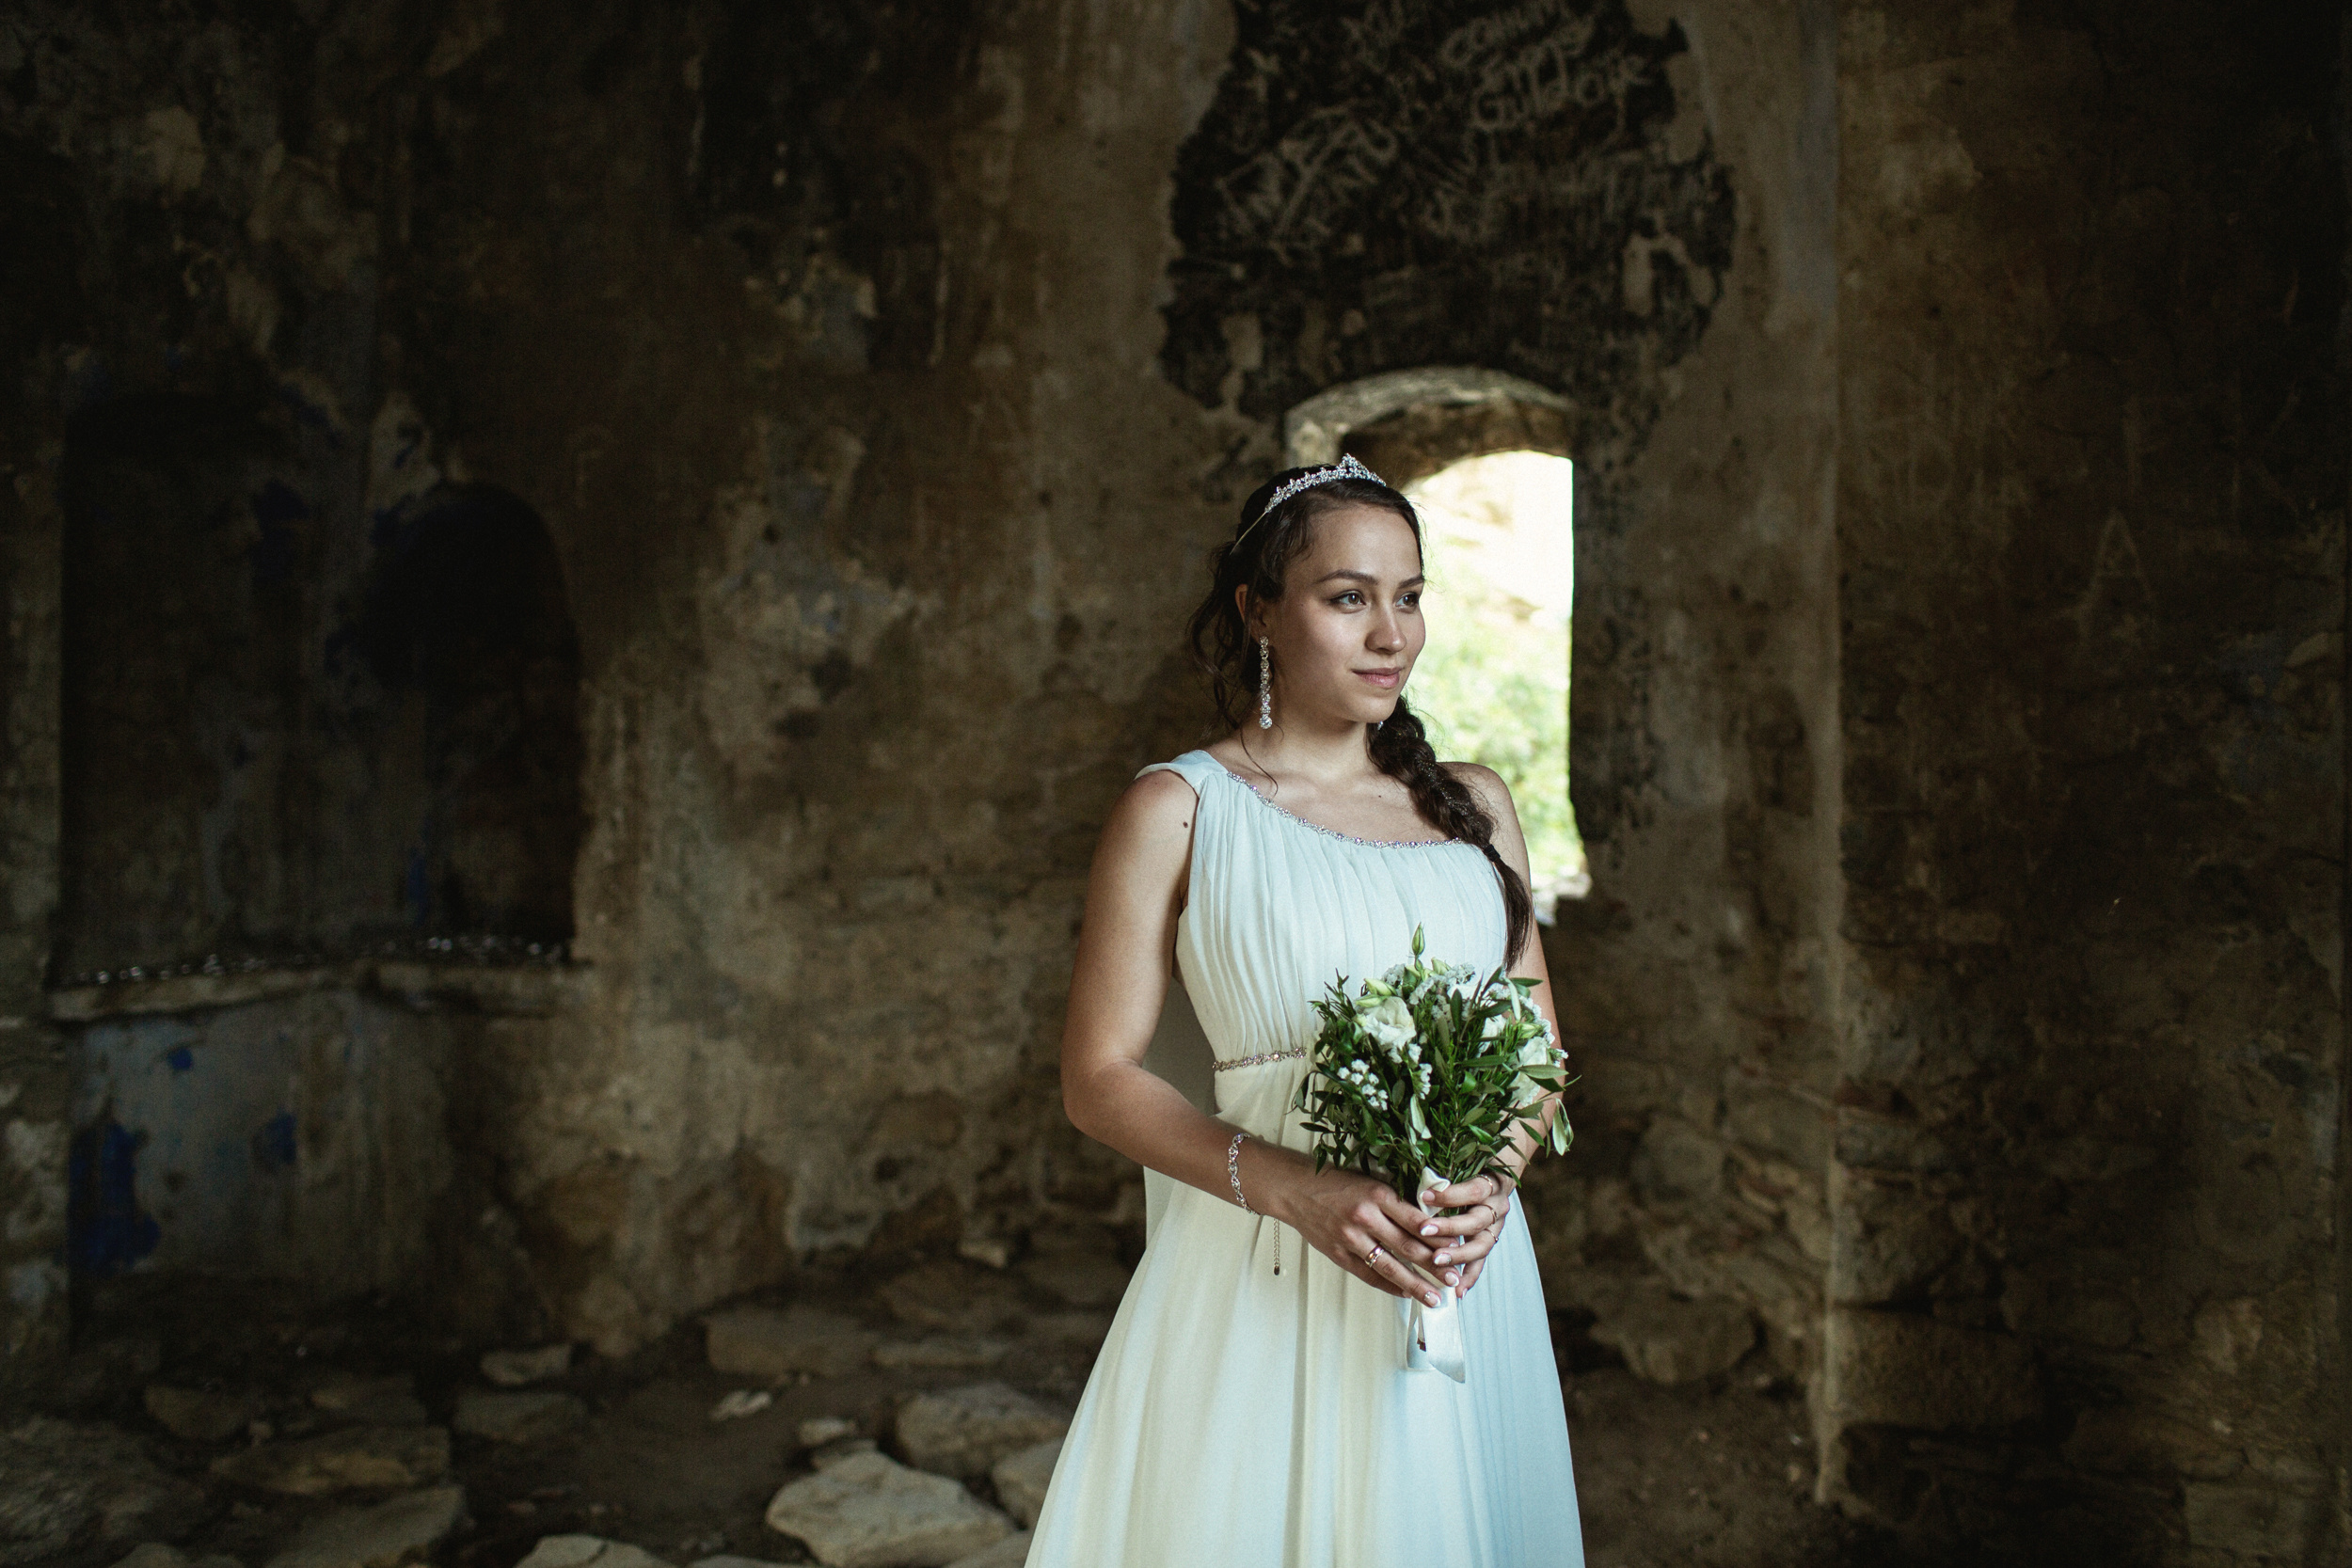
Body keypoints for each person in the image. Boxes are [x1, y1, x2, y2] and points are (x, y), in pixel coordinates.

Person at [1025, 455, 1583, 1566]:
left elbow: (1537, 1049)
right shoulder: (1181, 809)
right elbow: (1097, 1077)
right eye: (1348, 597)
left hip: (1458, 1271)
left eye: (1409, 594)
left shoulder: (1474, 805)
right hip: (1262, 1259)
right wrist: (1296, 1188)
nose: (1392, 633)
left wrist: (1492, 1182)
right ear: (1259, 612)